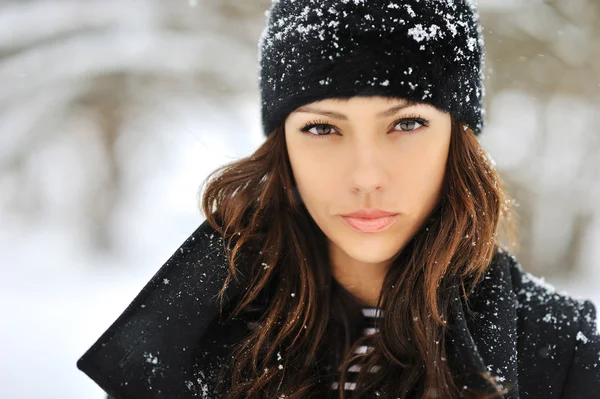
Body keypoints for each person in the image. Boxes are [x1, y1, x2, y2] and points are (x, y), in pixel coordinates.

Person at [77, 0, 600, 398]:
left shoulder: (570, 353)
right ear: (283, 146)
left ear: (457, 139)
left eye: (407, 123)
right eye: (324, 128)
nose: (366, 176)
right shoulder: (195, 339)